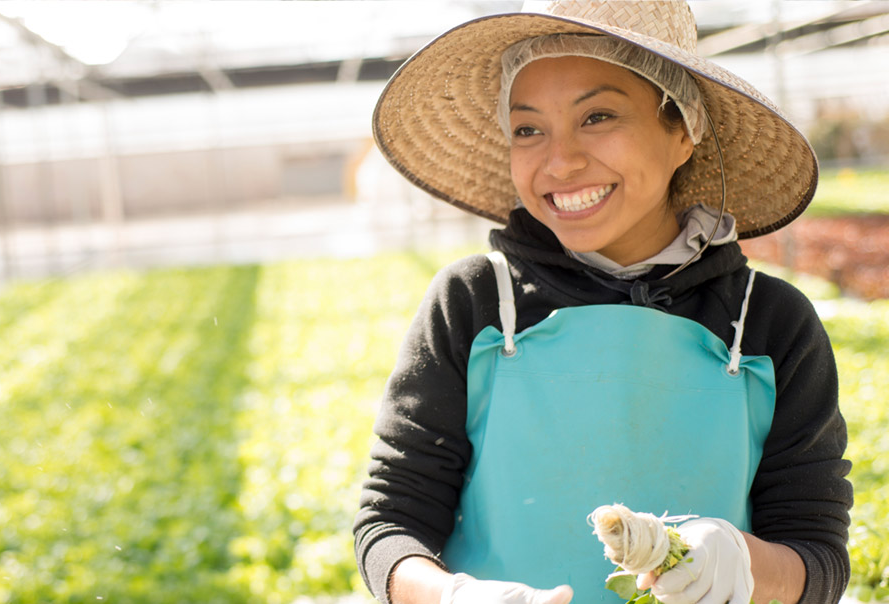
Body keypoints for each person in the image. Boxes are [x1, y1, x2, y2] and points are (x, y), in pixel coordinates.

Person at [352, 2, 853, 604]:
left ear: (684, 129)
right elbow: (389, 523)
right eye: (528, 129)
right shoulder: (475, 304)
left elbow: (817, 557)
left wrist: (743, 564)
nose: (560, 162)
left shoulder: (769, 322)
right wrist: (451, 596)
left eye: (598, 116)